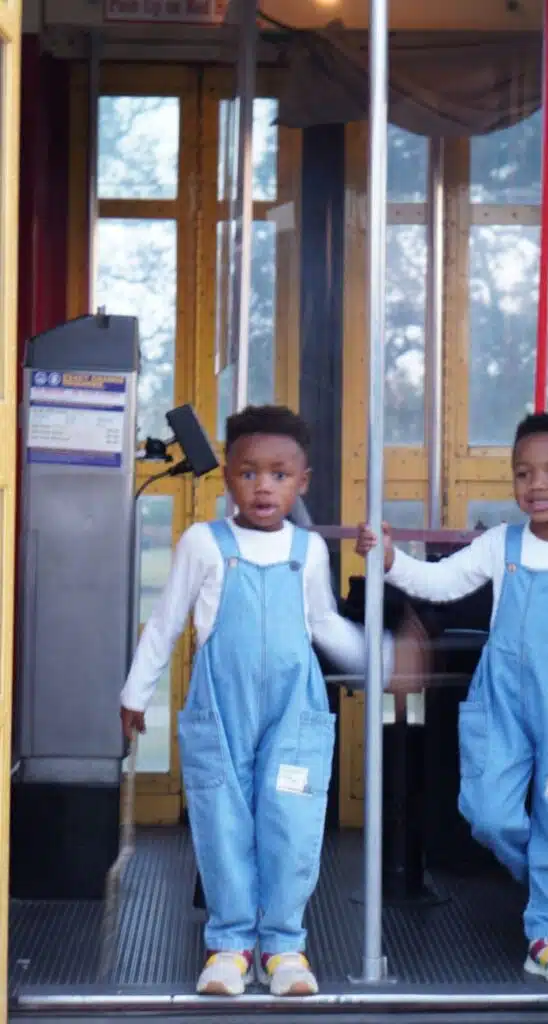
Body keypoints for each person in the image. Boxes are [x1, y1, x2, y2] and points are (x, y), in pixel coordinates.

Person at [121, 405, 422, 999]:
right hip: (220, 712)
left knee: (292, 819)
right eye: (249, 472)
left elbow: (324, 625)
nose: (264, 487)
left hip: (294, 713)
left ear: (301, 481)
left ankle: (284, 944)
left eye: (279, 475)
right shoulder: (203, 543)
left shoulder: (308, 550)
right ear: (227, 476)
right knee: (222, 821)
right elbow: (166, 622)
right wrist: (136, 693)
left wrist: (384, 662)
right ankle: (230, 945)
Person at [356, 412, 548, 985]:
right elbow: (442, 583)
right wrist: (391, 559)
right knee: (487, 814)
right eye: (523, 473)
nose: (537, 485)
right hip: (500, 703)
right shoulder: (500, 544)